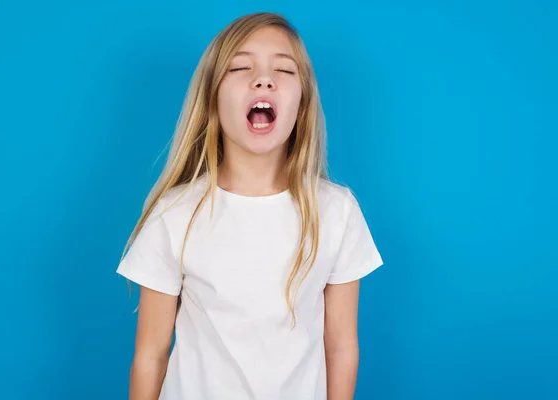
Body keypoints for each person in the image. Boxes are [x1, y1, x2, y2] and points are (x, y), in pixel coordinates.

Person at [116, 11, 384, 400]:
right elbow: (150, 355)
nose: (263, 79)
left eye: (285, 71)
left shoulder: (337, 212)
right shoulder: (175, 214)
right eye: (240, 67)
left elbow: (341, 348)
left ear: (302, 102)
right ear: (212, 97)